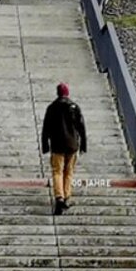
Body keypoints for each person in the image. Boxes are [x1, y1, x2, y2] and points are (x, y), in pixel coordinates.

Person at [40, 82, 86, 215]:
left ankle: (59, 197)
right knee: (69, 172)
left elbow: (46, 128)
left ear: (58, 93)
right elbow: (81, 127)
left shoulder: (52, 108)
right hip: (72, 145)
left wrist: (45, 146)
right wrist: (83, 144)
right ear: (67, 93)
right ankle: (66, 197)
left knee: (57, 171)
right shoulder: (74, 107)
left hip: (57, 145)